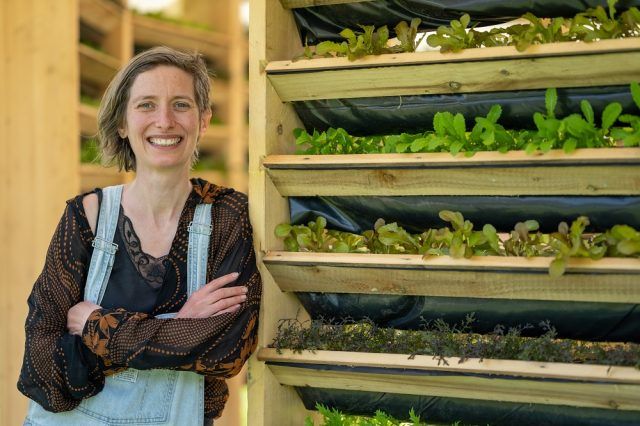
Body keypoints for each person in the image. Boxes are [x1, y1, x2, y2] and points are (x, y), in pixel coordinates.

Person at [17, 46, 261, 425]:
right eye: (146, 105)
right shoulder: (87, 216)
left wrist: (96, 326)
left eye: (181, 104)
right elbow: (42, 363)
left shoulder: (228, 216)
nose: (164, 121)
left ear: (204, 120)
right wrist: (180, 327)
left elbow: (226, 348)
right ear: (122, 124)